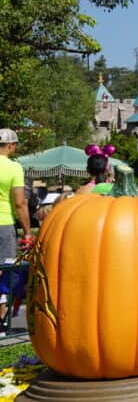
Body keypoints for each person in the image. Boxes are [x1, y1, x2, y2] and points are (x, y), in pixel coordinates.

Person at [0, 129, 32, 329]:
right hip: (3, 225)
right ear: (11, 146)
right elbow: (20, 203)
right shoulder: (14, 168)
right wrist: (27, 231)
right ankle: (2, 319)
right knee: (5, 270)